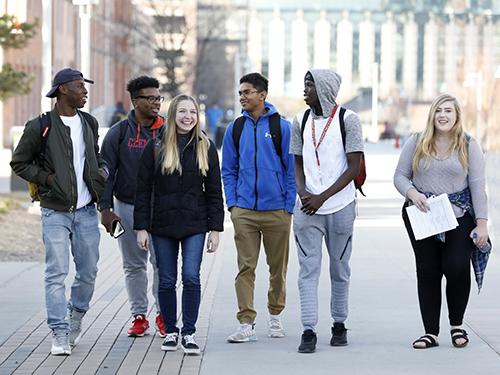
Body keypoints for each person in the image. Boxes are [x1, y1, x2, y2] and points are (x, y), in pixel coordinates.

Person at [10, 68, 108, 356]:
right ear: (63, 89)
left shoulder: (89, 122)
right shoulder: (40, 125)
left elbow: (95, 154)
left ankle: (75, 314)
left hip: (87, 211)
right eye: (80, 86)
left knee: (88, 272)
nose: (85, 92)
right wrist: (48, 179)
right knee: (56, 274)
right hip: (55, 211)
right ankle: (59, 331)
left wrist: (101, 169)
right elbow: (19, 163)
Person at [394, 93, 489, 349]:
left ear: (457, 116)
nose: (442, 115)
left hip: (459, 215)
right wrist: (412, 194)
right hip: (423, 214)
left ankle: (457, 325)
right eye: (438, 111)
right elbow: (400, 176)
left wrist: (482, 224)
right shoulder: (416, 141)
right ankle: (431, 333)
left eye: (448, 111)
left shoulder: (469, 145)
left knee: (457, 267)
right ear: (432, 115)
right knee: (428, 271)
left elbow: (478, 187)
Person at [134, 94, 224, 354]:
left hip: (195, 224)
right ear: (173, 114)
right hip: (162, 225)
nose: (188, 117)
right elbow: (143, 191)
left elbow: (214, 191)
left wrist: (215, 229)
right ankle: (171, 331)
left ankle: (189, 332)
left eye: (193, 112)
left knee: (191, 277)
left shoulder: (205, 146)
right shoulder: (155, 146)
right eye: (182, 112)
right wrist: (142, 227)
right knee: (166, 279)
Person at [290, 69, 363, 353]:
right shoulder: (300, 120)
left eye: (309, 86)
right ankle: (308, 330)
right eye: (304, 85)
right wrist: (304, 194)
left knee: (339, 269)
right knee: (307, 270)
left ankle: (339, 323)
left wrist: (322, 197)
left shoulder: (349, 120)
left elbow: (354, 167)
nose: (304, 91)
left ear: (324, 89)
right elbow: (297, 163)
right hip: (307, 208)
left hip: (341, 206)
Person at [222, 72, 296, 343]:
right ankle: (246, 323)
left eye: (248, 92)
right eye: (241, 92)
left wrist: (288, 206)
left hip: (277, 210)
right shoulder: (235, 128)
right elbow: (228, 169)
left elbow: (291, 171)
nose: (242, 96)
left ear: (262, 95)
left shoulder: (282, 128)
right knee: (245, 268)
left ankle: (275, 316)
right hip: (244, 211)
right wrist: (233, 204)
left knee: (278, 268)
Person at [99, 76, 165, 338]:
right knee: (132, 265)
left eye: (158, 98)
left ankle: (163, 315)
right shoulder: (118, 132)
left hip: (160, 209)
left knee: (163, 264)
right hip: (124, 208)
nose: (156, 103)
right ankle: (139, 317)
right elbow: (106, 173)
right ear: (135, 102)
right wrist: (105, 208)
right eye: (150, 98)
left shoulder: (167, 131)